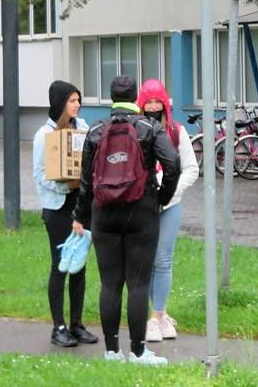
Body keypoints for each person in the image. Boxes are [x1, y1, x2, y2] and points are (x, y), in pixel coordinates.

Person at [72, 75, 180, 365]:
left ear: (111, 96)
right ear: (135, 97)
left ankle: (110, 351)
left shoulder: (95, 130)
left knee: (110, 283)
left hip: (103, 213)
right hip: (141, 211)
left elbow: (85, 180)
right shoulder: (149, 127)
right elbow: (172, 163)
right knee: (138, 283)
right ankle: (139, 351)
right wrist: (161, 198)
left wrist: (81, 216)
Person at [32, 80, 98, 348]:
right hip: (58, 208)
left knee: (79, 265)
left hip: (81, 207)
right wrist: (65, 184)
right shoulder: (43, 135)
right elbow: (40, 175)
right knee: (61, 265)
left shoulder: (82, 129)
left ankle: (76, 324)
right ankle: (58, 327)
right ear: (60, 103)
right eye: (72, 100)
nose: (78, 105)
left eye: (78, 100)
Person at [136, 79, 199, 342]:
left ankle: (157, 316)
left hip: (169, 205)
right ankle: (159, 315)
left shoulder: (175, 131)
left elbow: (191, 169)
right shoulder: (135, 130)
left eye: (156, 101)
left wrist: (171, 193)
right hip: (143, 205)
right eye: (147, 101)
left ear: (164, 102)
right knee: (147, 262)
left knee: (163, 260)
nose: (152, 106)